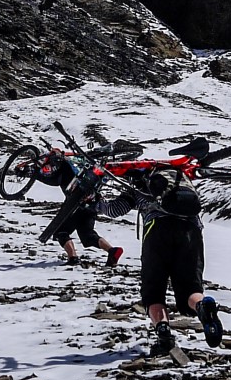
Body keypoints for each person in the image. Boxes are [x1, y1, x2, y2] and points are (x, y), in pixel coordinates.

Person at [96, 140, 224, 357]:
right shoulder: (179, 178)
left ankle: (164, 336)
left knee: (153, 291)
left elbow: (114, 210)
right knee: (191, 288)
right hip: (191, 230)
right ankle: (203, 308)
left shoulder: (140, 184)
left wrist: (95, 201)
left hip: (157, 230)